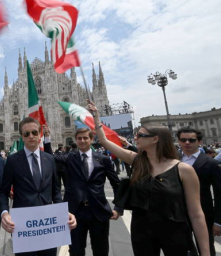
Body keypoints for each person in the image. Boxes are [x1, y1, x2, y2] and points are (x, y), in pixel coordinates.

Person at [87, 100, 209, 256]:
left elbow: (196, 214)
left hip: (175, 233)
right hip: (142, 232)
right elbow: (104, 140)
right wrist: (96, 116)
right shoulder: (137, 161)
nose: (135, 138)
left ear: (155, 139)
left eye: (140, 135)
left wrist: (205, 252)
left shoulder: (184, 170)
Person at [0, 117, 77, 256]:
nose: (31, 136)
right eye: (26, 133)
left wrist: (62, 212)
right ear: (22, 137)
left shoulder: (49, 159)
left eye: (34, 132)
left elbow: (56, 191)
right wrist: (4, 213)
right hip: (23, 225)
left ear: (40, 134)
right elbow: (3, 192)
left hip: (48, 224)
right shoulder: (12, 160)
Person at [44, 126, 122, 256]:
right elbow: (49, 157)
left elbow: (116, 184)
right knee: (75, 250)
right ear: (75, 140)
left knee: (101, 249)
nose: (82, 141)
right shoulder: (70, 158)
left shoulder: (103, 159)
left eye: (85, 138)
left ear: (91, 139)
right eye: (79, 138)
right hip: (75, 212)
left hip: (98, 211)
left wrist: (119, 208)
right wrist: (47, 137)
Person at [177, 127, 221, 256]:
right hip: (177, 212)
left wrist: (218, 221)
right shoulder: (172, 160)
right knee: (181, 248)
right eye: (183, 140)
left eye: (191, 140)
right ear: (178, 141)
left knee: (206, 248)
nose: (187, 143)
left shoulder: (211, 163)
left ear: (199, 142)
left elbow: (219, 194)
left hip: (203, 212)